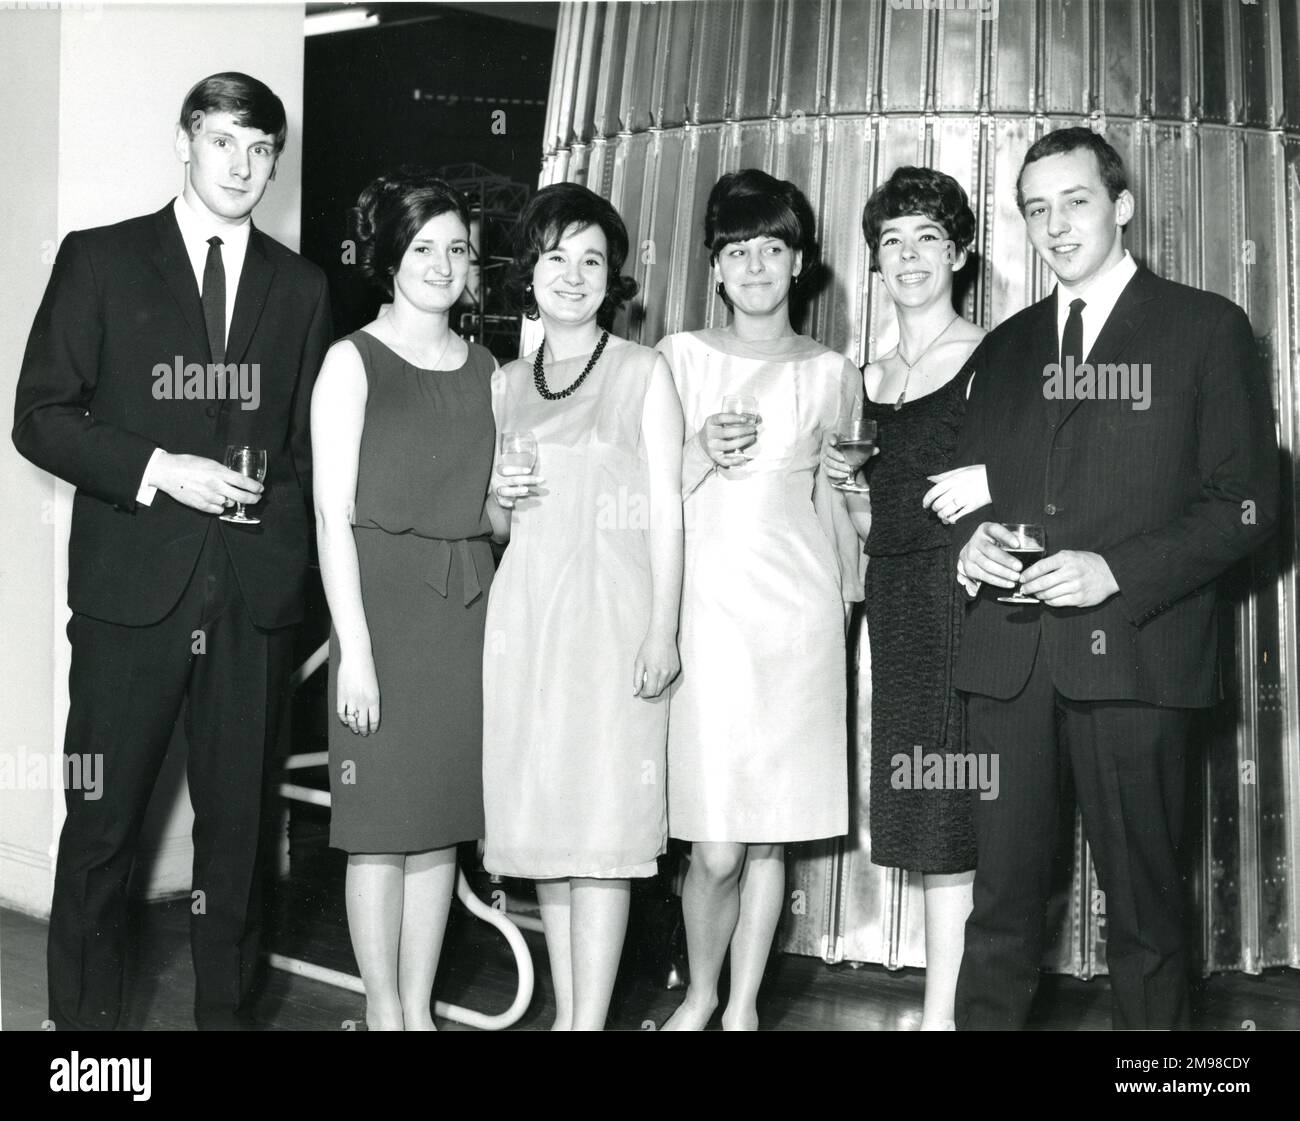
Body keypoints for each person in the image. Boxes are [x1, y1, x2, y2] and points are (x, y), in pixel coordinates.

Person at [12, 73, 332, 1030]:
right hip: (129, 601)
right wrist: (160, 467)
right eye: (225, 140)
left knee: (235, 847)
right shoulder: (102, 260)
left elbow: (312, 454)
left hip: (249, 607)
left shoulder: (304, 284)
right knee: (101, 833)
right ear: (187, 140)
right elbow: (40, 419)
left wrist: (279, 538)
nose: (243, 165)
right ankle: (86, 1046)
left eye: (262, 148)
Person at [950, 127, 1278, 1029]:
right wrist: (971, 546)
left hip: (1138, 659)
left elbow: (1247, 504)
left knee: (1147, 920)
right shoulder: (1007, 347)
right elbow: (978, 491)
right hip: (1008, 665)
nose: (1054, 225)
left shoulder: (1205, 327)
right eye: (1035, 208)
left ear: (1123, 205)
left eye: (1075, 201)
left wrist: (1115, 574)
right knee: (1000, 912)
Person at [657, 169, 863, 1031]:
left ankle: (740, 1005)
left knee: (772, 831)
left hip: (799, 622)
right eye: (737, 250)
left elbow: (841, 507)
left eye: (771, 249)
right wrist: (699, 448)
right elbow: (645, 493)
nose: (754, 266)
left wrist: (844, 608)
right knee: (715, 844)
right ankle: (700, 990)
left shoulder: (831, 371)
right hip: (706, 619)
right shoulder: (678, 357)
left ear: (800, 261)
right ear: (714, 266)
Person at [482, 182, 683, 1031]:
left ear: (614, 278)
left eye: (592, 259)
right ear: (529, 271)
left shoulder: (644, 372)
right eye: (556, 256)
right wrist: (496, 491)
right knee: (551, 835)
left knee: (602, 835)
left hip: (612, 625)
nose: (573, 274)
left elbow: (671, 508)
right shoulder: (502, 385)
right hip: (527, 625)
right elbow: (496, 524)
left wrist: (663, 630)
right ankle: (575, 1020)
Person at [311, 170, 495, 1031]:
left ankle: (417, 1012)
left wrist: (514, 504)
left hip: (465, 612)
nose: (442, 263)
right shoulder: (351, 361)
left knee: (440, 828)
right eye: (424, 247)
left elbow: (493, 508)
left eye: (457, 248)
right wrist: (356, 650)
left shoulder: (491, 368)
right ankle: (383, 1012)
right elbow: (328, 516)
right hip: (379, 612)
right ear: (389, 258)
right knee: (379, 827)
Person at [823, 166, 990, 1029]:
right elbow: (870, 526)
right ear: (876, 263)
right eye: (892, 240)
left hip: (967, 606)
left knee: (956, 816)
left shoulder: (994, 357)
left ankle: (942, 1016)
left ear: (959, 252)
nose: (910, 254)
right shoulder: (866, 375)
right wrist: (846, 486)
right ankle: (943, 1011)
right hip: (897, 607)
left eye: (929, 235)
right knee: (926, 815)